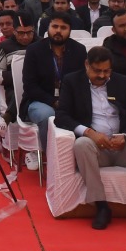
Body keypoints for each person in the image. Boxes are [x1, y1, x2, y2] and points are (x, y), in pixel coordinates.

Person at [55, 46, 126, 230]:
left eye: (107, 71)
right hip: (96, 149)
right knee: (81, 144)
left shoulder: (122, 82)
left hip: (122, 147)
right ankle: (101, 206)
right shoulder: (72, 81)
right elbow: (61, 116)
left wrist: (124, 136)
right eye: (97, 71)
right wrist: (89, 132)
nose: (102, 76)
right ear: (87, 65)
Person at [20, 11, 87, 149]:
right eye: (55, 26)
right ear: (48, 28)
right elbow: (30, 86)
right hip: (40, 101)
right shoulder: (34, 50)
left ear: (70, 30)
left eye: (63, 28)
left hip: (70, 101)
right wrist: (53, 102)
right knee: (48, 116)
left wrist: (67, 102)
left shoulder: (79, 50)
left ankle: (77, 151)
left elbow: (82, 82)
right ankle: (50, 155)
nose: (58, 31)